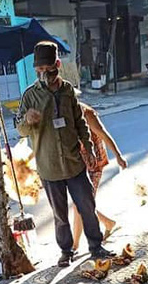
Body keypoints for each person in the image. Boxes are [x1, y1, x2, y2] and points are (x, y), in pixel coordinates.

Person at [16, 41, 113, 268]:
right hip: (48, 166)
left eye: (47, 68)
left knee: (87, 207)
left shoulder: (68, 91)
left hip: (74, 163)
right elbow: (21, 129)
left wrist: (89, 148)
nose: (43, 74)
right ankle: (66, 251)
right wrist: (27, 120)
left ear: (57, 65)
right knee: (59, 215)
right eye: (39, 70)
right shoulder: (30, 96)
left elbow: (80, 122)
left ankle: (96, 246)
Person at [72, 100, 128, 251]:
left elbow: (103, 134)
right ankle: (108, 223)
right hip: (78, 165)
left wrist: (118, 155)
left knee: (80, 205)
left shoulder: (87, 113)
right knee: (83, 203)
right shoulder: (65, 113)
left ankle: (74, 246)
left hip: (94, 164)